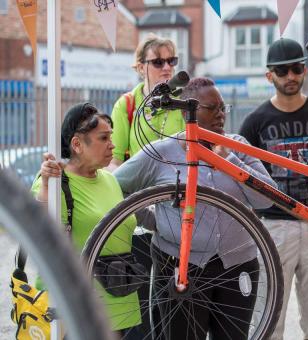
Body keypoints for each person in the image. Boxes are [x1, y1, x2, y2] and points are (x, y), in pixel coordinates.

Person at [113, 77, 277, 340]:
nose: (220, 114)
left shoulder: (237, 145)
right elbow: (116, 186)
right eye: (211, 108)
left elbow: (266, 198)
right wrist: (152, 220)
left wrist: (229, 160)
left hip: (237, 263)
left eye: (223, 108)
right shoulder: (161, 152)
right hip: (178, 263)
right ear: (187, 111)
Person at [239, 38, 308, 340]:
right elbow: (245, 179)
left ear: (305, 70)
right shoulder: (254, 122)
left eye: (296, 68)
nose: (291, 77)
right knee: (269, 320)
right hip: (272, 226)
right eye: (282, 71)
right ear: (269, 75)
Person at [33, 103, 142, 338]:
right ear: (77, 144)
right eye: (104, 138)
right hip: (80, 302)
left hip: (120, 295)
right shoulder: (55, 181)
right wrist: (44, 186)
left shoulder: (110, 180)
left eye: (111, 137)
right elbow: (38, 228)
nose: (112, 144)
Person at [108, 34, 185, 170]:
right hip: (142, 188)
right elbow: (114, 161)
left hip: (180, 185)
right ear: (141, 68)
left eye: (171, 61)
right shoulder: (126, 104)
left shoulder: (185, 101)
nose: (167, 67)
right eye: (158, 62)